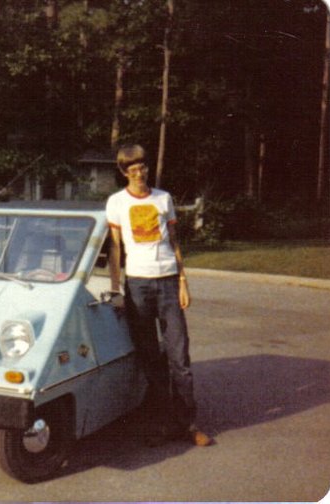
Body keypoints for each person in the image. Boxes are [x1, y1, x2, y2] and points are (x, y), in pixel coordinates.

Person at [105, 144, 213, 447]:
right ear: (124, 172)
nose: (139, 172)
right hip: (138, 285)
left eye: (143, 166)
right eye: (133, 168)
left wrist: (182, 281)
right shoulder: (115, 203)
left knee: (179, 356)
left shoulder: (163, 199)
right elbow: (115, 247)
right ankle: (162, 424)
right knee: (150, 359)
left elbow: (175, 242)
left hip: (167, 282)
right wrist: (116, 286)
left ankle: (188, 423)